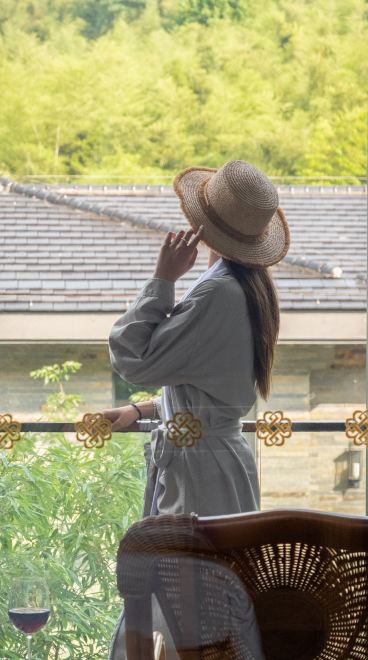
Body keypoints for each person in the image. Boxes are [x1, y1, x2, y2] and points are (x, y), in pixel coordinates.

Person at [104, 160, 289, 659]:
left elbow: (133, 356)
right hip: (217, 463)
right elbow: (210, 388)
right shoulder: (246, 287)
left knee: (190, 612)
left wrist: (162, 279)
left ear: (203, 225)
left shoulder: (217, 292)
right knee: (210, 610)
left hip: (200, 474)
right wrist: (145, 411)